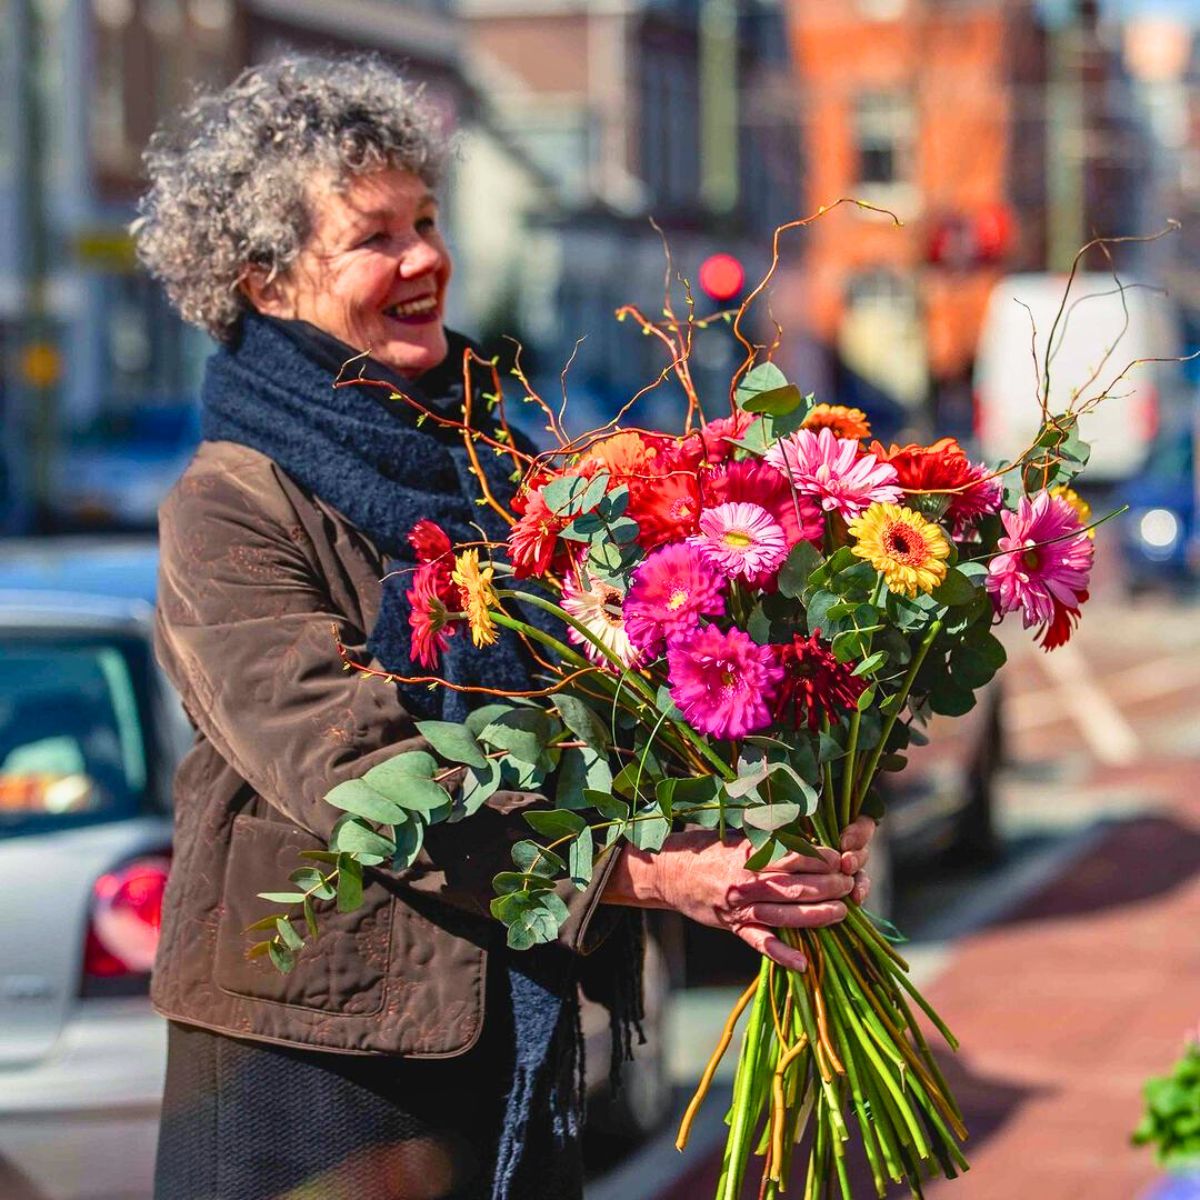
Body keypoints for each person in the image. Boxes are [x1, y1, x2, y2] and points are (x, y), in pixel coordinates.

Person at [134, 53, 875, 1200]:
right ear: (267, 283)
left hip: (504, 1032)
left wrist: (772, 820)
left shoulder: (501, 457)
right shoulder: (229, 501)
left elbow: (622, 688)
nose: (426, 256)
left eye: (426, 218)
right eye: (374, 236)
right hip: (309, 1058)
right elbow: (360, 772)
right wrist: (654, 875)